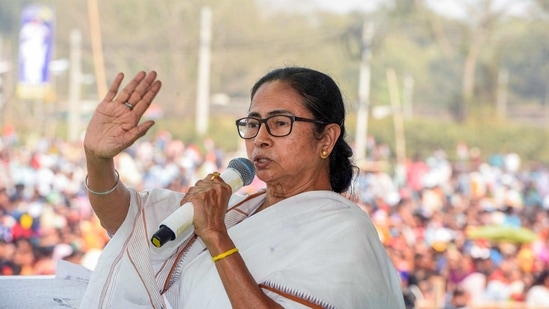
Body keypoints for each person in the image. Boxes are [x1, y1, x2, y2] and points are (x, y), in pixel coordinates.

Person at [80, 67, 406, 308]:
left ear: (327, 138)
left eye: (279, 123)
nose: (260, 138)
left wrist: (217, 237)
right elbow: (127, 223)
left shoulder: (343, 231)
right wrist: (96, 159)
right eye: (253, 124)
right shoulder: (239, 212)